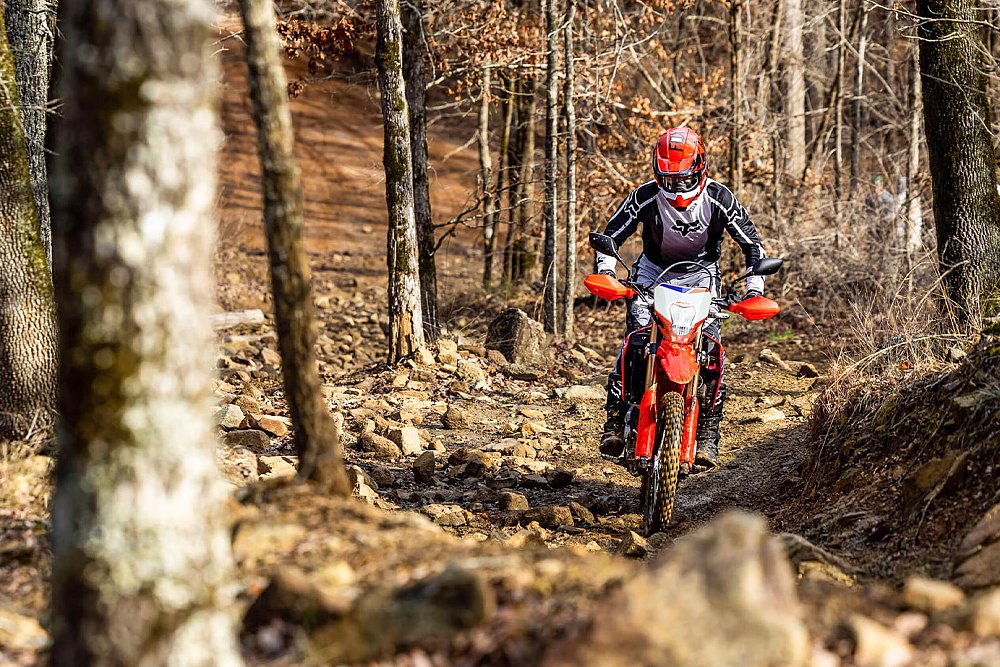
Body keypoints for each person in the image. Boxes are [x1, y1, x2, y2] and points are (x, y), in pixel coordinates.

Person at [596, 127, 769, 468]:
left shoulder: (720, 199)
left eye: (683, 178)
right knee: (635, 341)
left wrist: (754, 290)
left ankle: (707, 433)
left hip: (702, 276)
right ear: (657, 173)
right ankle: (615, 419)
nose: (676, 187)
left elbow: (753, 245)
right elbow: (609, 236)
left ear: (700, 168)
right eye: (668, 179)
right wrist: (607, 272)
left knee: (712, 351)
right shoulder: (645, 196)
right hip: (651, 273)